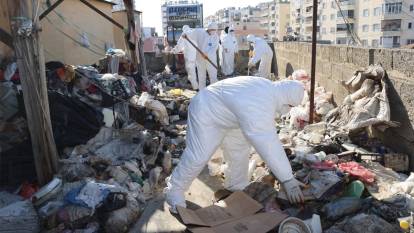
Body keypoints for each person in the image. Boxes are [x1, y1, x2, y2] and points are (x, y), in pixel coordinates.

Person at [164, 76, 305, 213]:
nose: (288, 109)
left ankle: (235, 186)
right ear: (286, 99)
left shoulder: (268, 88)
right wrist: (287, 179)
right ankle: (174, 189)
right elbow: (267, 141)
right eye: (290, 105)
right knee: (198, 155)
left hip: (231, 116)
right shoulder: (261, 100)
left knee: (239, 151)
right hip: (206, 110)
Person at [183, 22, 219, 90]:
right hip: (200, 58)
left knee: (213, 75)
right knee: (201, 75)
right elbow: (190, 33)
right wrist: (185, 34)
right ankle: (202, 91)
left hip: (211, 59)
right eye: (212, 30)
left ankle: (214, 91)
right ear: (209, 29)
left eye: (215, 30)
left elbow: (215, 47)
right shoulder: (199, 32)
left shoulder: (216, 36)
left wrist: (207, 54)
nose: (214, 32)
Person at [171, 25, 198, 90]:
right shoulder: (194, 34)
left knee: (191, 72)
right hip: (197, 57)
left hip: (189, 57)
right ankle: (193, 84)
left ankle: (196, 88)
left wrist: (173, 51)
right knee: (195, 71)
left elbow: (179, 46)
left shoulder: (184, 34)